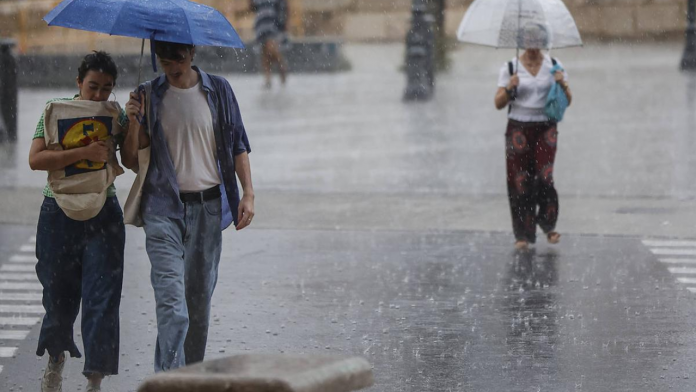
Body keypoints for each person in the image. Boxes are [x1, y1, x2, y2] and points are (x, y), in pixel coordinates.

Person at [122, 40, 255, 372]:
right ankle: (167, 381)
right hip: (163, 210)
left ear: (192, 52)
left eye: (178, 58)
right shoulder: (148, 95)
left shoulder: (219, 90)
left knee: (197, 309)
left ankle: (190, 378)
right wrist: (134, 120)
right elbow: (129, 160)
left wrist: (248, 192)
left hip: (208, 210)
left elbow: (238, 143)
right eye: (164, 61)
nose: (172, 67)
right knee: (173, 309)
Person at [28, 51, 126, 392]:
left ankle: (94, 380)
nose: (98, 96)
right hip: (58, 213)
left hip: (105, 211)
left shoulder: (117, 115)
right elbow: (36, 159)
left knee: (102, 297)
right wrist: (84, 153)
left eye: (107, 88)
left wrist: (136, 121)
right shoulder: (54, 111)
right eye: (93, 87)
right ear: (78, 83)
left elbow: (133, 159)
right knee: (58, 295)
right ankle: (56, 359)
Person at [494, 23, 573, 250]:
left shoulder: (554, 65)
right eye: (528, 41)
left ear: (543, 42)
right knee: (520, 181)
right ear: (522, 42)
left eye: (537, 41)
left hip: (546, 127)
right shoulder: (511, 67)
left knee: (544, 176)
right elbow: (498, 103)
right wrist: (510, 88)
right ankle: (523, 234)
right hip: (518, 128)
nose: (532, 46)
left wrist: (562, 83)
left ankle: (548, 224)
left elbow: (568, 100)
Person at [250, 0, 288, 88]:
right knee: (264, 52)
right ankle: (268, 78)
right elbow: (253, 8)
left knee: (270, 47)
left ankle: (281, 64)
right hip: (261, 21)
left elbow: (284, 6)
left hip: (272, 21)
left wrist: (284, 21)